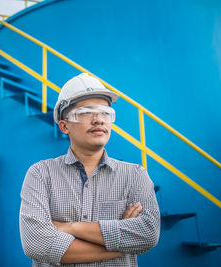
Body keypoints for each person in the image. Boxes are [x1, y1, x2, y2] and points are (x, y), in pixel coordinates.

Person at [19, 73, 160, 266]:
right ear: (64, 125)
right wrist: (122, 243)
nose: (99, 120)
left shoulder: (135, 175)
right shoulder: (41, 174)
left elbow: (148, 233)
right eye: (86, 112)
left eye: (105, 112)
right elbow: (36, 243)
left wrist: (70, 228)